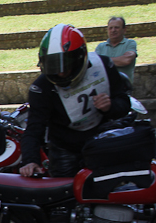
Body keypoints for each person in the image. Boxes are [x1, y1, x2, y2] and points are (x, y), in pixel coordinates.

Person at [20, 24, 130, 178]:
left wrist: (110, 106)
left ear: (80, 58)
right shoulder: (42, 88)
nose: (60, 72)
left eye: (66, 65)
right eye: (53, 65)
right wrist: (30, 160)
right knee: (64, 190)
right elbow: (34, 127)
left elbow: (124, 103)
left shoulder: (104, 65)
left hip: (103, 140)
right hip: (65, 149)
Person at [95, 17, 138, 84]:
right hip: (105, 88)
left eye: (116, 27)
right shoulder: (101, 47)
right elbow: (95, 65)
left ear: (124, 29)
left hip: (124, 87)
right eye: (110, 28)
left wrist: (104, 61)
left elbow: (126, 60)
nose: (113, 30)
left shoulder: (130, 43)